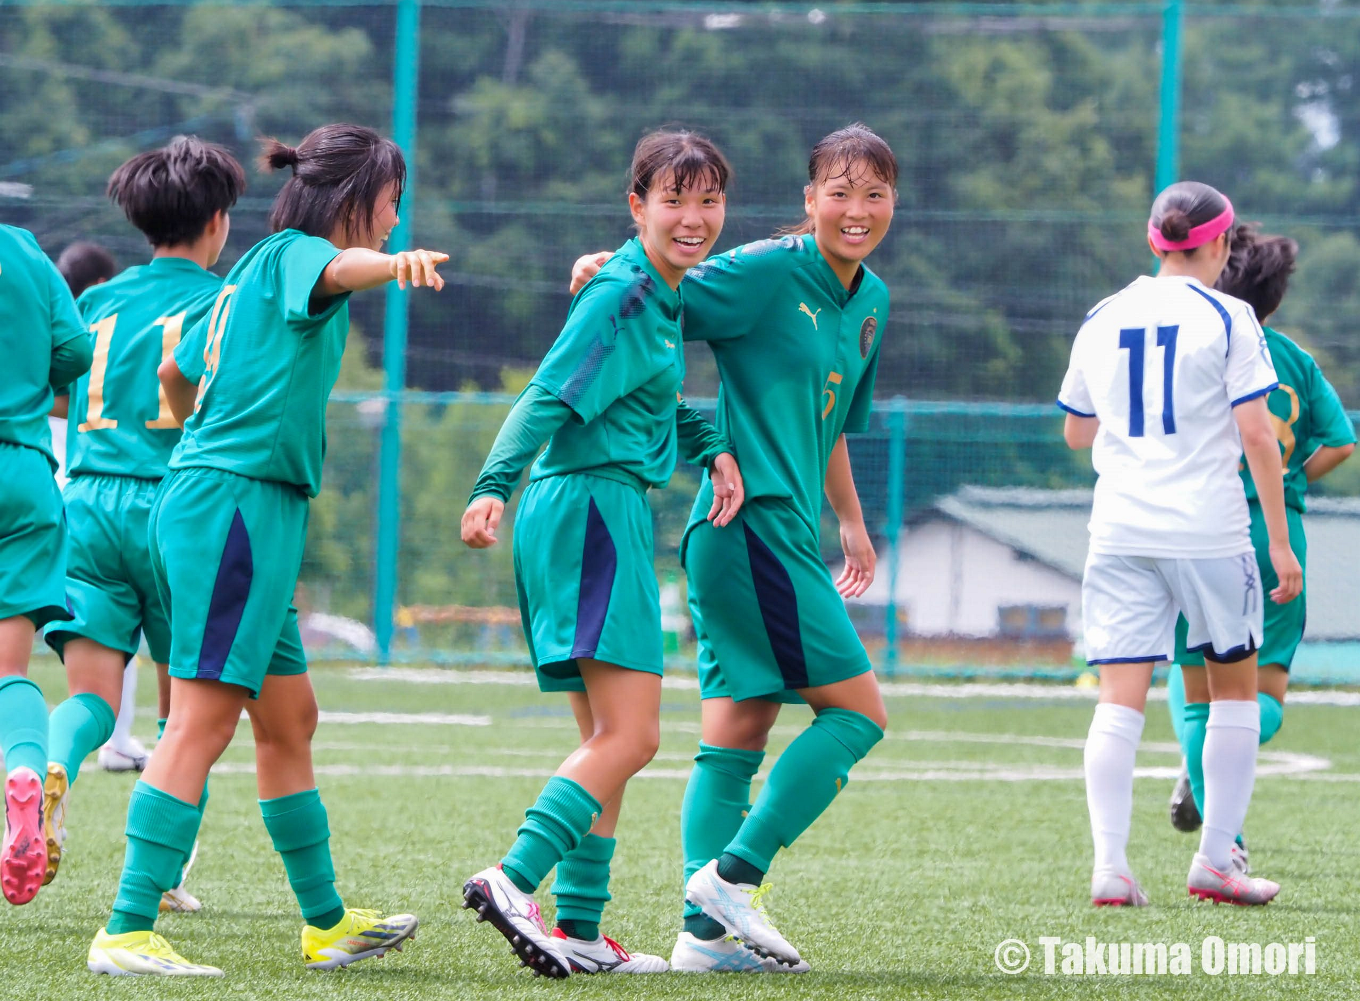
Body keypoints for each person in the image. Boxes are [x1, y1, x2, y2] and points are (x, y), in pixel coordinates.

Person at [86, 123, 447, 977]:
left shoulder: (246, 268)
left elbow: (176, 368)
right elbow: (336, 269)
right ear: (352, 198)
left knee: (289, 720)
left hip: (240, 505)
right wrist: (391, 268)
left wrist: (187, 414)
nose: (395, 221)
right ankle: (128, 928)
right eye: (392, 204)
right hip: (235, 508)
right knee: (204, 717)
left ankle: (325, 921)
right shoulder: (295, 253)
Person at [567, 122, 895, 972]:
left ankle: (702, 939)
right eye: (840, 191)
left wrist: (851, 522)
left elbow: (829, 428)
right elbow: (656, 286)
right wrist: (601, 269)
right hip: (747, 531)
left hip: (781, 531)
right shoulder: (767, 270)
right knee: (859, 715)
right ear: (808, 198)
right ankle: (732, 879)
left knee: (738, 733)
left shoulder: (871, 302)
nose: (856, 211)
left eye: (875, 193)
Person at [459, 129, 742, 979]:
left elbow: (651, 403)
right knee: (636, 734)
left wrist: (711, 444)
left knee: (604, 739)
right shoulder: (622, 292)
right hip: (589, 509)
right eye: (674, 201)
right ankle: (513, 880)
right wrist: (491, 483)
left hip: (589, 508)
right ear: (637, 207)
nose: (694, 219)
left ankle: (579, 930)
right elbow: (549, 391)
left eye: (709, 201)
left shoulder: (656, 293)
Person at [1058, 181, 1301, 909]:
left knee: (1117, 699)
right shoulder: (1229, 317)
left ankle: (1111, 868)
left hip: (1120, 529)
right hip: (1208, 530)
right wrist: (1281, 545)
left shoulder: (1102, 316)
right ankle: (1216, 860)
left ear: (1152, 240)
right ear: (1222, 246)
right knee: (1236, 688)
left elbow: (1076, 430)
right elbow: (1258, 434)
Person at [42, 138, 246, 918]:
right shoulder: (220, 302)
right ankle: (159, 875)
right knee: (186, 708)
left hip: (87, 502)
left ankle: (50, 765)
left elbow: (60, 395)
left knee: (92, 695)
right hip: (174, 511)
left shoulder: (97, 301)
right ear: (219, 222)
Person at [1166, 226, 1355, 851]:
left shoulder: (1189, 347)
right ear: (1274, 299)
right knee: (1262, 691)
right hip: (1272, 529)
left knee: (1196, 690)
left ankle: (1221, 824)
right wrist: (1288, 473)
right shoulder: (1293, 358)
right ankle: (1216, 804)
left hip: (1194, 521)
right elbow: (1342, 442)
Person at [0, 224, 93, 906]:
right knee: (10, 673)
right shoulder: (25, 249)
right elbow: (75, 350)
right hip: (26, 474)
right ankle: (25, 772)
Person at [54, 241, 151, 775]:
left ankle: (31, 748)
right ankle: (119, 742)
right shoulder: (114, 317)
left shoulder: (59, 322)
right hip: (123, 493)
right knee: (131, 628)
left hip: (60, 493)